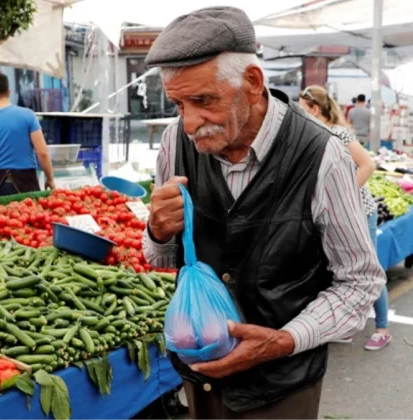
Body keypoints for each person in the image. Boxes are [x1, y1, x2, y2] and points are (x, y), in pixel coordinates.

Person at [142, 6, 384, 420]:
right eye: (179, 104)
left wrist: (283, 340)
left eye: (203, 100)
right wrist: (157, 230)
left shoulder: (321, 156)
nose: (189, 123)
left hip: (280, 387)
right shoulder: (174, 143)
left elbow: (360, 282)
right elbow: (161, 258)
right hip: (199, 374)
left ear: (252, 83)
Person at [299, 86, 391, 350]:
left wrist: (344, 198)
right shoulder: (313, 136)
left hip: (361, 212)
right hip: (336, 215)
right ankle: (347, 324)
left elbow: (368, 165)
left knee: (367, 268)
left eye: (303, 110)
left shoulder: (337, 134)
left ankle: (383, 328)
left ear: (315, 109)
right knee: (339, 267)